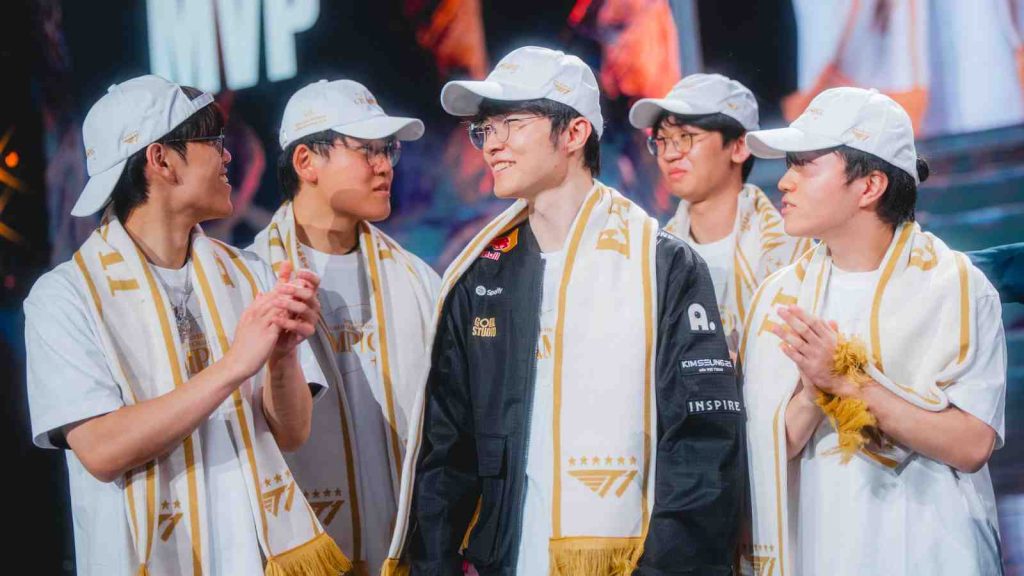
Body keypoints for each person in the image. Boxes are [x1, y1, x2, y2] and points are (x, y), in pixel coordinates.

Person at [383, 46, 744, 576]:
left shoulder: (663, 264)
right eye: (485, 128)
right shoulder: (477, 275)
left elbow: (703, 450)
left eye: (512, 123)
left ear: (574, 133)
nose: (492, 143)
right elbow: (447, 453)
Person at [24, 75, 348, 576]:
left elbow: (291, 432)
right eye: (214, 142)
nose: (227, 155)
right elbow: (101, 450)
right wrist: (235, 365)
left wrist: (282, 356)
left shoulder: (251, 273)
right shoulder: (65, 296)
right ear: (161, 160)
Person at [741, 86, 1006, 576]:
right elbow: (767, 447)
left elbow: (972, 445)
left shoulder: (955, 286)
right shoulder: (779, 296)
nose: (784, 182)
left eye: (804, 165)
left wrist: (849, 383)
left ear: (869, 186)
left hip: (934, 554)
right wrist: (812, 394)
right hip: (821, 552)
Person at [249, 78, 441, 574]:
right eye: (367, 149)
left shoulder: (418, 279)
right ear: (306, 162)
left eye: (388, 150)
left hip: (409, 552)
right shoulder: (249, 280)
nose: (384, 165)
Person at [630, 73, 807, 353]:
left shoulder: (794, 253)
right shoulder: (650, 256)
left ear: (738, 146)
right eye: (661, 140)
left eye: (686, 137)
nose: (669, 154)